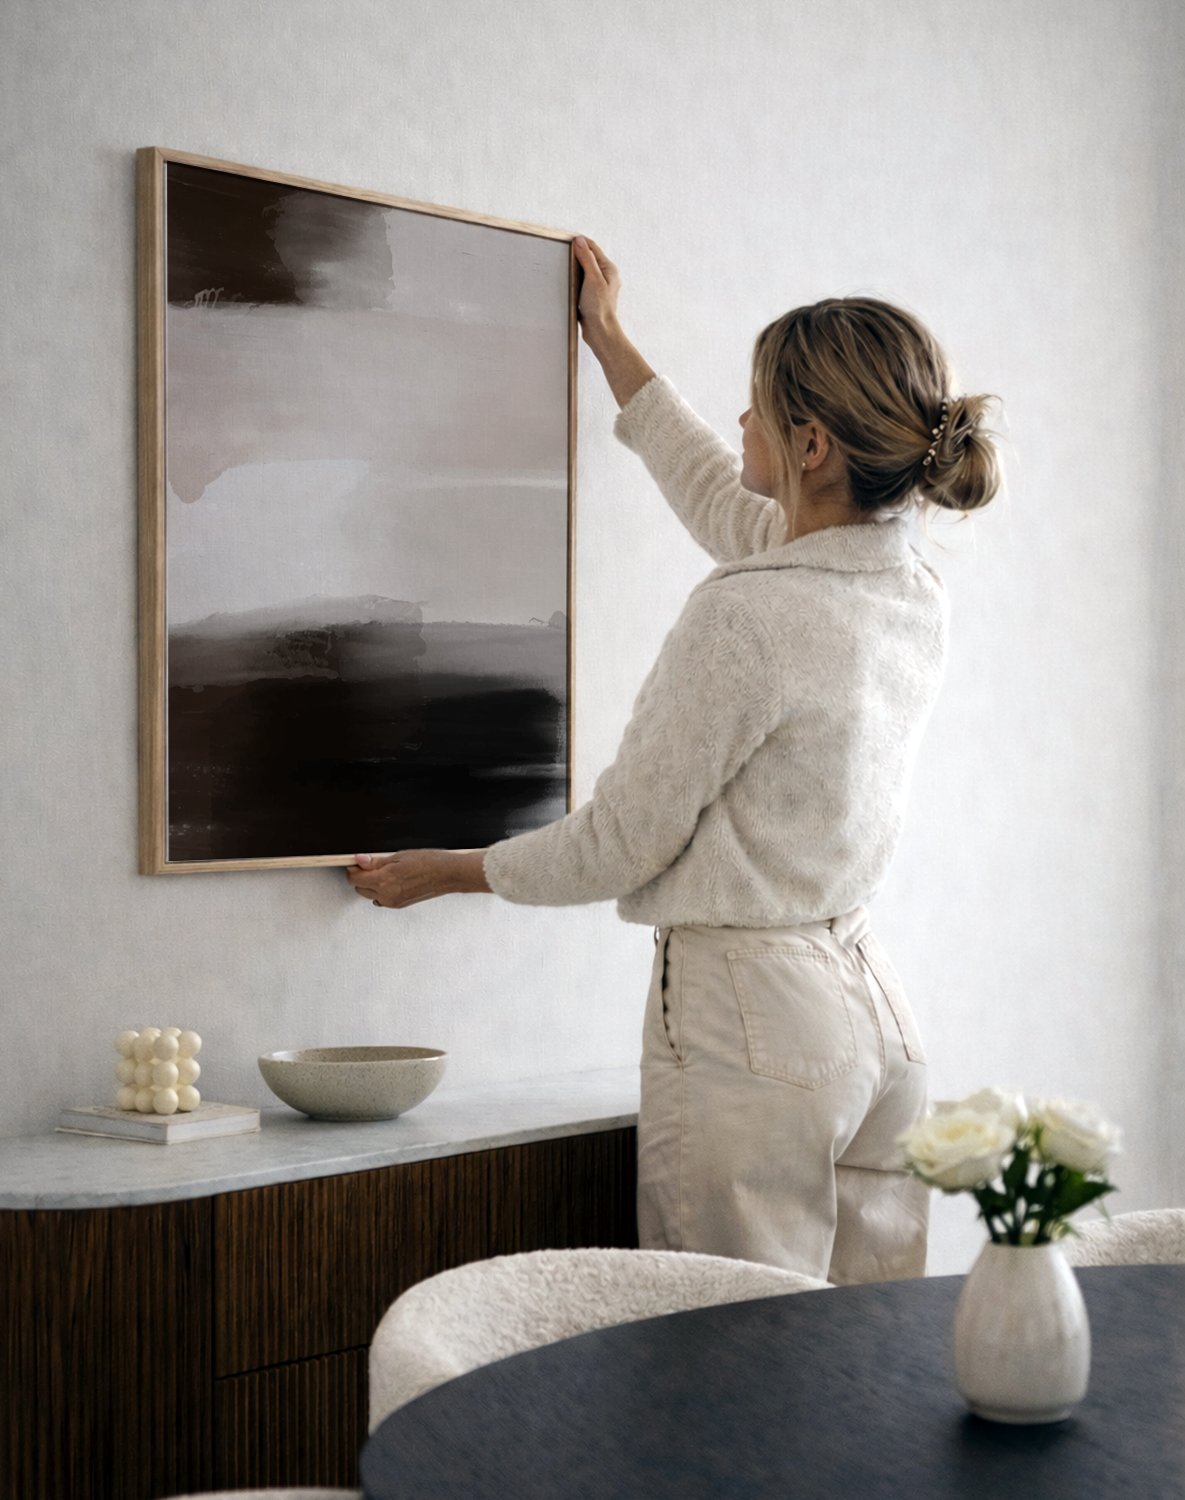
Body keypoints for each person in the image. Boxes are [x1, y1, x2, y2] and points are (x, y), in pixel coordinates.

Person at [348, 237, 1001, 1284]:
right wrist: (608, 338)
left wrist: (450, 871)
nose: (737, 419)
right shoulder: (908, 591)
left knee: (728, 1353)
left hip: (756, 1026)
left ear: (811, 445)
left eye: (756, 406)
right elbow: (722, 496)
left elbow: (621, 843)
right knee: (865, 1354)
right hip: (873, 1022)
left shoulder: (751, 617)